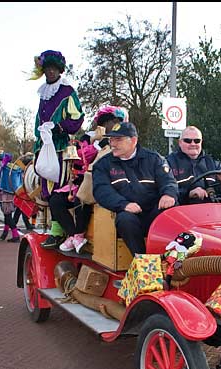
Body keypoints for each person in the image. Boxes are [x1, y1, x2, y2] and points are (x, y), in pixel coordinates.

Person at [92, 122, 178, 255]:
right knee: (125, 220)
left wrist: (169, 194)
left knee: (171, 210)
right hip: (128, 214)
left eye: (118, 139)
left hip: (153, 212)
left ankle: (169, 259)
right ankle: (142, 261)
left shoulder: (154, 159)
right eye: (111, 140)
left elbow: (168, 180)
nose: (113, 144)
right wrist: (123, 204)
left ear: (133, 140)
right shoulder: (103, 165)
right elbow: (101, 191)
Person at [51, 106, 127, 254]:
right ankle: (73, 235)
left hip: (111, 182)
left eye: (116, 122)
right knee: (56, 200)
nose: (112, 125)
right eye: (111, 121)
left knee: (84, 198)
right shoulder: (88, 138)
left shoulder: (122, 138)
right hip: (85, 180)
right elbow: (78, 157)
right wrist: (96, 144)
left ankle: (79, 234)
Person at [29, 49, 85, 249]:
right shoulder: (43, 92)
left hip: (61, 148)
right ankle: (56, 231)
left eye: (54, 68)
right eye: (47, 69)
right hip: (44, 146)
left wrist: (60, 127)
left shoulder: (67, 91)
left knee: (58, 191)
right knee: (46, 188)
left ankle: (61, 232)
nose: (50, 72)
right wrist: (41, 133)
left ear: (59, 69)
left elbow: (77, 117)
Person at [166, 126, 221, 205]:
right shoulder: (169, 163)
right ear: (180, 142)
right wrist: (189, 194)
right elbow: (165, 191)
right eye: (188, 140)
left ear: (201, 142)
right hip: (181, 212)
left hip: (211, 212)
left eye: (197, 141)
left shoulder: (212, 163)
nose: (193, 144)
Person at [0, 152, 21, 243]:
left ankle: (15, 235)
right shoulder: (15, 168)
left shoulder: (3, 168)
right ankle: (5, 232)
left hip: (5, 194)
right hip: (14, 193)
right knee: (7, 215)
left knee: (8, 215)